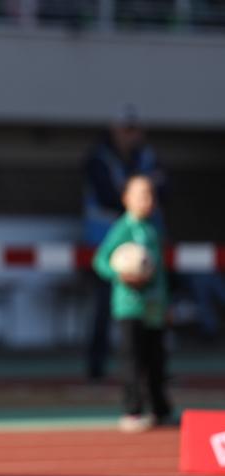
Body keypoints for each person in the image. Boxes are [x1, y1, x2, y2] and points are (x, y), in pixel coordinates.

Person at [83, 104, 167, 380]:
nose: (129, 136)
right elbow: (105, 193)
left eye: (133, 130)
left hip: (146, 264)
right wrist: (120, 269)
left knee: (153, 319)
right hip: (104, 242)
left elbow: (165, 185)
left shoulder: (147, 157)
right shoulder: (100, 159)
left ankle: (152, 373)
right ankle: (98, 367)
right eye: (124, 130)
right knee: (104, 311)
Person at [93, 175, 171, 433]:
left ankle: (160, 409)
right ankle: (132, 409)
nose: (147, 200)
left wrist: (165, 303)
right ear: (126, 198)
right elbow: (101, 261)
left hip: (153, 308)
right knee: (132, 360)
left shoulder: (152, 230)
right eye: (140, 195)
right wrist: (121, 274)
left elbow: (159, 274)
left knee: (156, 360)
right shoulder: (122, 229)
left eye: (150, 195)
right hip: (129, 307)